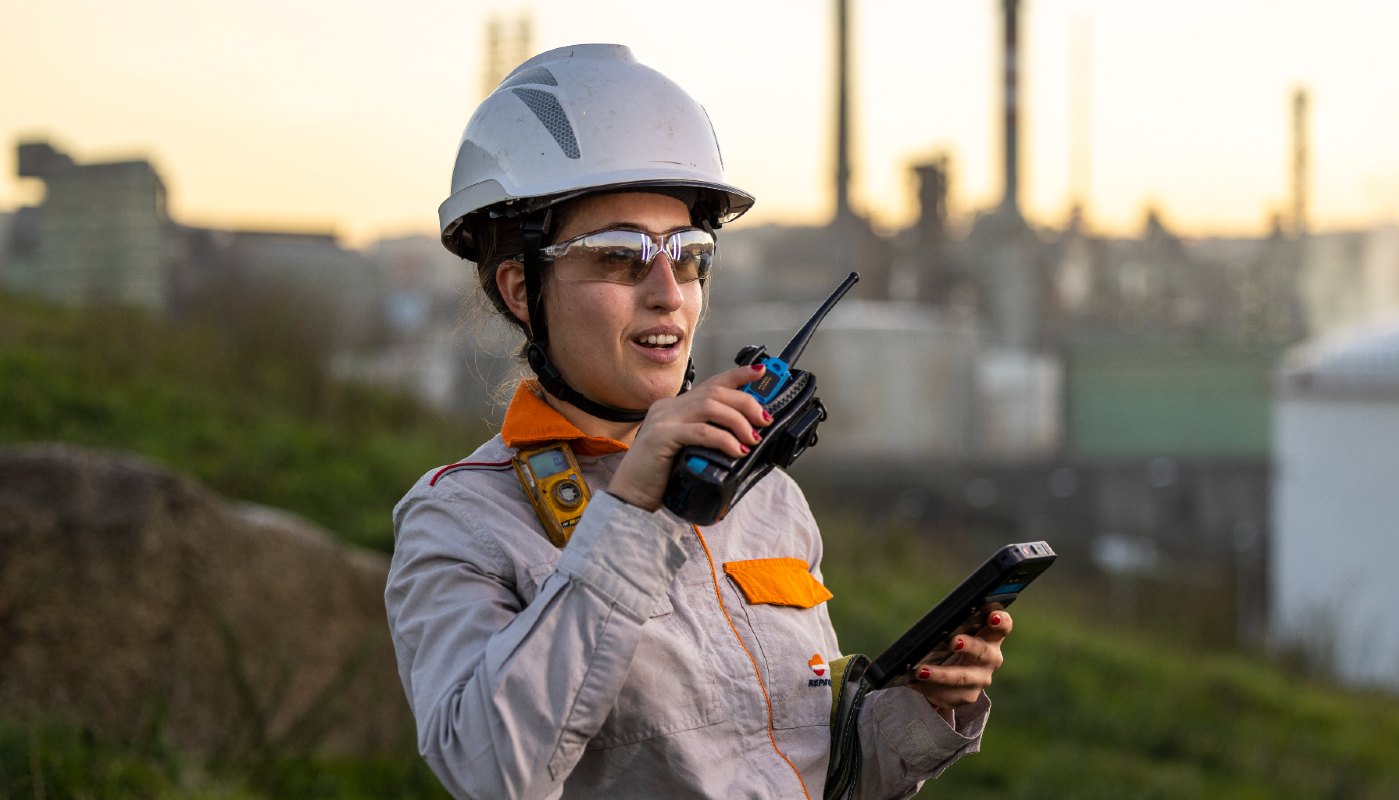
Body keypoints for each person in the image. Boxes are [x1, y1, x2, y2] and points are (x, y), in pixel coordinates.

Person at [385, 43, 1012, 800]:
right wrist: (630, 516)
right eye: (619, 256)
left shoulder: (762, 494)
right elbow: (489, 769)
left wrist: (922, 710)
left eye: (688, 254)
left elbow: (806, 771)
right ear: (521, 289)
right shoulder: (460, 521)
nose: (667, 293)